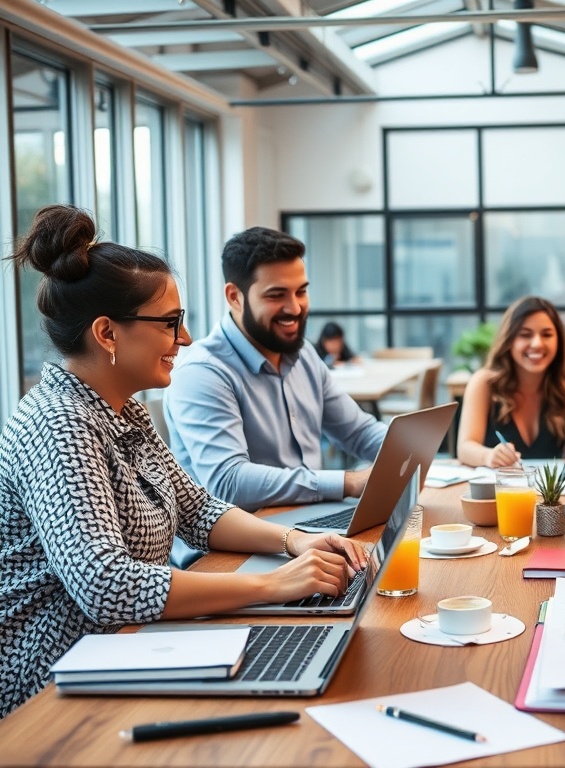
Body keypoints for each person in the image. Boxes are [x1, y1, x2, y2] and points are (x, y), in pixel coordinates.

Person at [0, 206, 366, 719]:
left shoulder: (122, 408)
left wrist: (294, 541)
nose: (186, 339)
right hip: (54, 683)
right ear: (107, 334)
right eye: (171, 324)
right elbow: (106, 586)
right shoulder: (59, 424)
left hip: (131, 647)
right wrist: (274, 585)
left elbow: (196, 509)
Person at [164, 227, 387, 513]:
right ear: (235, 296)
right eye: (276, 295)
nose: (294, 308)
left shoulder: (303, 354)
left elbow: (359, 433)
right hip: (229, 550)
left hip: (305, 524)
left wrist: (408, 452)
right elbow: (228, 482)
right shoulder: (202, 372)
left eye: (301, 292)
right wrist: (348, 482)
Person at [457, 296, 565, 469]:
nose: (537, 343)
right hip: (500, 493)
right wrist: (488, 456)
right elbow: (465, 447)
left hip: (554, 494)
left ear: (559, 341)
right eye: (525, 335)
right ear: (509, 341)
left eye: (547, 334)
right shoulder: (484, 383)